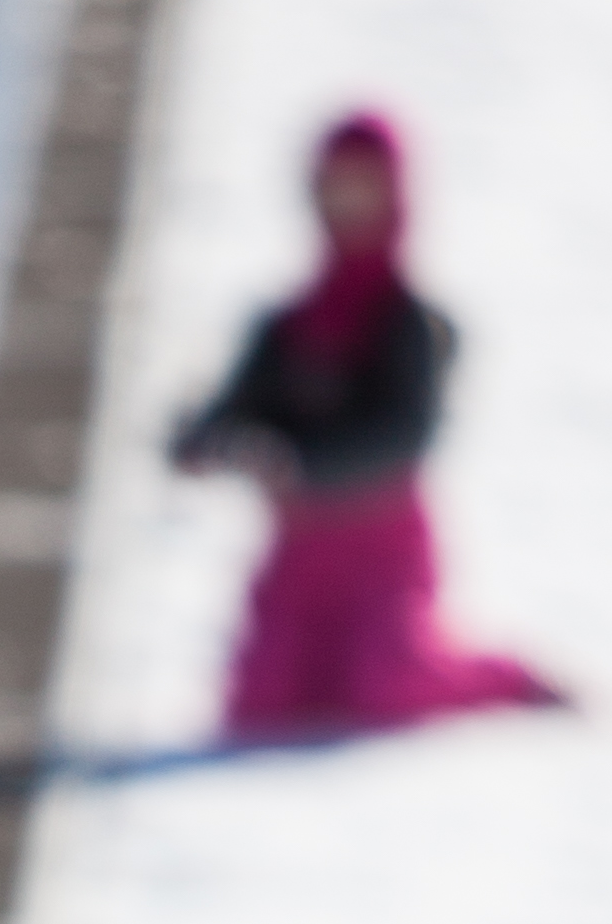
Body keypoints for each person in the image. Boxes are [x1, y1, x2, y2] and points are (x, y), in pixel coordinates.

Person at [171, 108, 567, 741]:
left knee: (388, 685)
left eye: (366, 188)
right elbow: (228, 414)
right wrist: (205, 444)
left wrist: (301, 464)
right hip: (298, 563)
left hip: (385, 558)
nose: (351, 206)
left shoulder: (412, 326)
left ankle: (509, 679)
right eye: (337, 187)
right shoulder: (286, 327)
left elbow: (403, 437)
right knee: (261, 705)